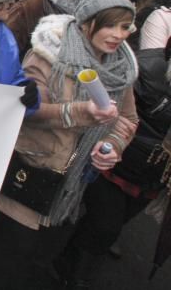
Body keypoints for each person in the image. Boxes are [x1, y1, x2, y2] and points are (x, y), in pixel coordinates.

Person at [0, 0, 139, 290]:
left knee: (37, 265)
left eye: (125, 27)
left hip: (72, 190)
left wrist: (111, 145)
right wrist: (78, 113)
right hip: (27, 176)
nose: (118, 34)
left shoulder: (121, 67)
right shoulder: (46, 55)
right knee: (0, 266)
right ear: (87, 23)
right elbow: (28, 111)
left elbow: (126, 118)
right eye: (110, 25)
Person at [55, 17, 171, 286]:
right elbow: (121, 111)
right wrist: (113, 142)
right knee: (104, 225)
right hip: (117, 163)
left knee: (111, 226)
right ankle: (67, 269)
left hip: (153, 178)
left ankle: (76, 254)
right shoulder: (147, 70)